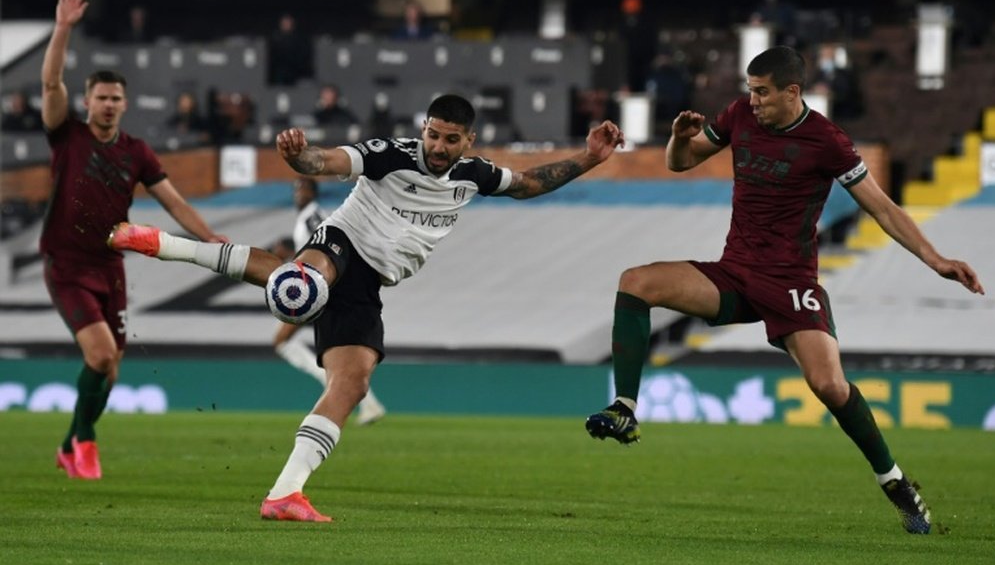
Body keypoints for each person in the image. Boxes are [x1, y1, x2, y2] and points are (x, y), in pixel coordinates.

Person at [108, 94, 624, 521]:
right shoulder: (389, 154)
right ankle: (164, 245)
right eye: (432, 134)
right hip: (341, 244)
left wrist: (589, 158)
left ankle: (284, 494)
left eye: (450, 138)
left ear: (467, 140)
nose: (438, 146)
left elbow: (531, 184)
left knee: (352, 385)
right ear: (422, 129)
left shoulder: (476, 174)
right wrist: (300, 158)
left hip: (369, 283)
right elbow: (329, 161)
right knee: (302, 283)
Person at [584, 46, 983, 535]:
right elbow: (681, 164)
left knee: (829, 386)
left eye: (762, 93)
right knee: (636, 282)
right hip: (734, 273)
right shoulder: (738, 116)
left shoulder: (827, 141)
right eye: (750, 92)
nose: (753, 102)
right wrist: (675, 140)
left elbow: (882, 208)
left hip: (791, 282)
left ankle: (895, 481)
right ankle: (625, 408)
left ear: (792, 92)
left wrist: (936, 260)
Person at [41, 0, 227, 480]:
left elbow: (174, 201)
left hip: (109, 265)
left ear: (125, 104)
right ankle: (85, 440)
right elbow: (49, 85)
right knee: (100, 356)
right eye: (100, 97)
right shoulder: (68, 135)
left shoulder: (137, 152)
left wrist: (209, 239)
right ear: (86, 102)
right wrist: (62, 29)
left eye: (115, 98)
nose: (107, 104)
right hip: (66, 265)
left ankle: (67, 443)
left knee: (111, 369)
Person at [272, 177, 386, 425]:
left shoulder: (313, 218)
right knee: (298, 346)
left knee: (282, 341)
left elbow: (326, 249)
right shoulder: (306, 219)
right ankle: (367, 404)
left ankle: (348, 396)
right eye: (295, 189)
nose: (297, 194)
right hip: (318, 288)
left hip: (321, 290)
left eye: (302, 189)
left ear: (313, 192)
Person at [268, 13, 313, 85]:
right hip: (279, 69)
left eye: (288, 23)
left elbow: (303, 54)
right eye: (284, 23)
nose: (286, 25)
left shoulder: (299, 38)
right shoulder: (275, 38)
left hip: (296, 69)